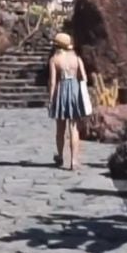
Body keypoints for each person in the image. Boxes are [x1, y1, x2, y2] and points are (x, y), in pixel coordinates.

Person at [48, 32, 88, 170]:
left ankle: (60, 156)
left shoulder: (54, 59)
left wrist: (51, 100)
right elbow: (84, 77)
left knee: (60, 128)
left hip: (61, 91)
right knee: (74, 128)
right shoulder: (76, 58)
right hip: (74, 91)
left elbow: (53, 82)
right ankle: (74, 161)